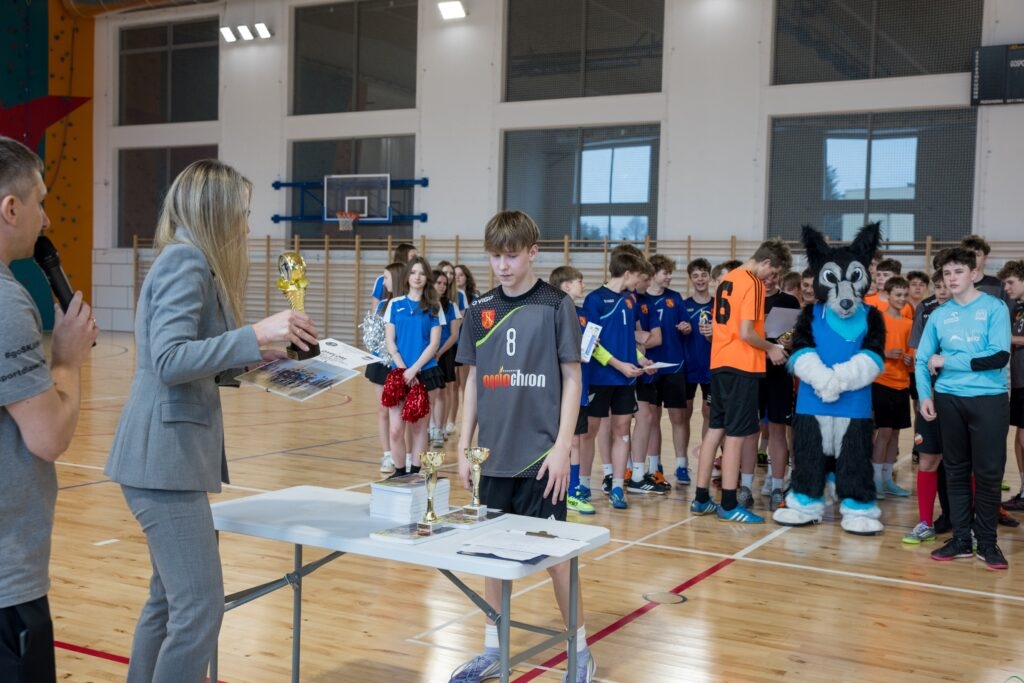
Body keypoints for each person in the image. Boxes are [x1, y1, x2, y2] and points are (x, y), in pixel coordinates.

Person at [105, 159, 319, 682]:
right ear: (216, 212)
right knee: (200, 609)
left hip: (167, 460)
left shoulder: (191, 260)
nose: (247, 225)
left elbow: (191, 356)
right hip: (163, 461)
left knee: (168, 603)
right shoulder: (186, 261)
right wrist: (255, 334)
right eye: (241, 213)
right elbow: (168, 359)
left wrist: (256, 358)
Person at [452, 210, 592, 683]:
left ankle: (579, 650)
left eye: (511, 256)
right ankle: (493, 649)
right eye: (495, 257)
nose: (502, 266)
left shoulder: (556, 305)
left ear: (533, 252)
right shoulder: (479, 309)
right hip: (493, 459)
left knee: (557, 561)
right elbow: (472, 383)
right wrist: (463, 445)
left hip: (541, 460)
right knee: (491, 557)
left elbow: (573, 379)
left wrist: (562, 447)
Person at [0, 136, 98, 682]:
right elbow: (48, 437)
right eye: (40, 202)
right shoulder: (5, 303)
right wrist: (67, 360)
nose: (48, 218)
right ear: (10, 209)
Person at [917, 248, 1011, 569]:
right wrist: (925, 395)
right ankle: (960, 539)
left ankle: (986, 542)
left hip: (989, 400)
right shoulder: (939, 314)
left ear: (973, 274)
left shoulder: (995, 307)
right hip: (948, 399)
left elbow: (998, 356)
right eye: (947, 273)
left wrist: (947, 360)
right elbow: (922, 359)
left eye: (958, 271)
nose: (952, 278)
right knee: (955, 471)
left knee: (988, 474)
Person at [692, 238, 791, 523]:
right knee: (735, 434)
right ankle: (729, 503)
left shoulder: (727, 279)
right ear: (766, 262)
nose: (771, 279)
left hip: (720, 363)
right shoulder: (753, 283)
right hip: (742, 366)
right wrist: (771, 348)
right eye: (773, 273)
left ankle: (701, 498)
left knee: (715, 430)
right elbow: (747, 332)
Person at [582, 249, 648, 509]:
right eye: (638, 276)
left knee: (622, 431)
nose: (639, 282)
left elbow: (627, 338)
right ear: (627, 273)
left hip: (626, 380)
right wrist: (620, 365)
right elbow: (591, 344)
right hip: (600, 378)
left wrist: (641, 359)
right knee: (589, 432)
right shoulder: (595, 300)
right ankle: (583, 485)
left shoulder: (630, 300)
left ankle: (618, 487)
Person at [384, 256, 445, 473]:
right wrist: (403, 370)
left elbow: (434, 344)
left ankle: (415, 474)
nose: (417, 277)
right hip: (398, 373)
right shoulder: (395, 304)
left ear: (427, 277)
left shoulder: (434, 307)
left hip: (425, 373)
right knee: (395, 429)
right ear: (407, 276)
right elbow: (390, 342)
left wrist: (414, 370)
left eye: (421, 273)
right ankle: (399, 472)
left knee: (419, 429)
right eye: (413, 272)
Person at [903, 270, 951, 543]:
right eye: (939, 285)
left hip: (961, 397)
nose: (943, 290)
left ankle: (967, 523)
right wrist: (924, 396)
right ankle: (924, 522)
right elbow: (919, 356)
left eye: (948, 284)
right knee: (928, 459)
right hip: (930, 395)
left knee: (962, 463)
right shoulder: (926, 309)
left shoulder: (971, 311)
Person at [549, 265, 596, 515]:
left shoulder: (583, 314)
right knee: (562, 440)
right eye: (580, 281)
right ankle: (562, 487)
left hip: (580, 385)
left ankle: (573, 489)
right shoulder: (552, 312)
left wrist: (590, 347)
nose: (583, 285)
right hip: (559, 388)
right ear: (566, 285)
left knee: (576, 440)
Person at [870, 276, 913, 499]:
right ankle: (876, 479)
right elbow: (867, 349)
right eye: (898, 294)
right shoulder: (877, 320)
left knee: (895, 433)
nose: (902, 298)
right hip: (881, 381)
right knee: (884, 431)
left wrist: (909, 360)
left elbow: (912, 354)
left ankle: (888, 479)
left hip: (901, 383)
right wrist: (884, 353)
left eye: (905, 295)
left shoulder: (908, 323)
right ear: (887, 295)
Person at [364, 262, 406, 474]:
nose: (383, 282)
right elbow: (372, 335)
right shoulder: (381, 305)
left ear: (396, 279)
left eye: (386, 277)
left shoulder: (406, 305)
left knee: (401, 413)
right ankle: (387, 454)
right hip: (380, 363)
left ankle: (405, 455)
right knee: (383, 410)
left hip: (399, 364)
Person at [679, 258, 715, 484]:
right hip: (688, 368)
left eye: (703, 275)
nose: (700, 279)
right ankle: (682, 463)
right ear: (690, 279)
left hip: (713, 368)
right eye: (695, 275)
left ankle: (706, 460)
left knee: (709, 413)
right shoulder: (683, 306)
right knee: (684, 414)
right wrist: (682, 329)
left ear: (710, 277)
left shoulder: (719, 305)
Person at [998, 260, 1024, 511]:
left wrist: (1003, 338)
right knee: (1018, 438)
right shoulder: (1017, 308)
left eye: (1010, 282)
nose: (1006, 288)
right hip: (1018, 381)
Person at [429, 268, 461, 448]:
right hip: (426, 354)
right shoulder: (425, 304)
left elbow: (454, 334)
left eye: (444, 284)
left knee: (442, 392)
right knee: (427, 393)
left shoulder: (451, 306)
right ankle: (429, 427)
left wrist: (439, 352)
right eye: (438, 283)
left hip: (444, 353)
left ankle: (439, 429)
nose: (442, 286)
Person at [370, 242, 417, 311]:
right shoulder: (381, 280)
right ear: (403, 257)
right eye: (413, 256)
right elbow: (375, 307)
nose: (416, 259)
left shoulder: (415, 280)